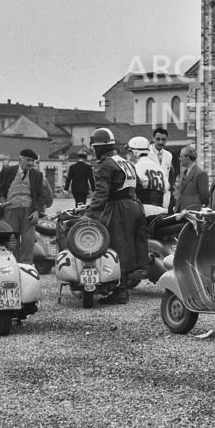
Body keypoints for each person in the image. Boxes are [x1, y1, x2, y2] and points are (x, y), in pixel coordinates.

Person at [86, 127, 149, 304]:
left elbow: (101, 194)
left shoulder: (105, 164)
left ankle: (120, 291)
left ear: (99, 147)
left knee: (118, 247)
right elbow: (140, 186)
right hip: (135, 206)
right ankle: (124, 284)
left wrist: (89, 214)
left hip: (120, 207)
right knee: (131, 246)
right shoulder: (125, 161)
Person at [0, 148, 53, 263]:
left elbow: (41, 196)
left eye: (33, 161)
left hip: (29, 211)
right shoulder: (8, 171)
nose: (31, 163)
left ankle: (26, 265)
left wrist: (37, 211)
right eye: (28, 160)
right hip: (10, 209)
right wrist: (1, 199)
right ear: (20, 159)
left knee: (29, 240)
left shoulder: (37, 175)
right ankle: (13, 263)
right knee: (12, 238)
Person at [172, 145, 210, 213]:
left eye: (181, 156)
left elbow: (204, 197)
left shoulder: (201, 173)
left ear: (187, 158)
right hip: (180, 211)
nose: (179, 159)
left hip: (192, 213)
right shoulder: (183, 173)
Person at [145, 128, 174, 211]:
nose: (160, 142)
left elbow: (170, 176)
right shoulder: (146, 153)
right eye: (158, 139)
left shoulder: (169, 155)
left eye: (163, 139)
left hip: (164, 194)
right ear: (153, 138)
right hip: (150, 194)